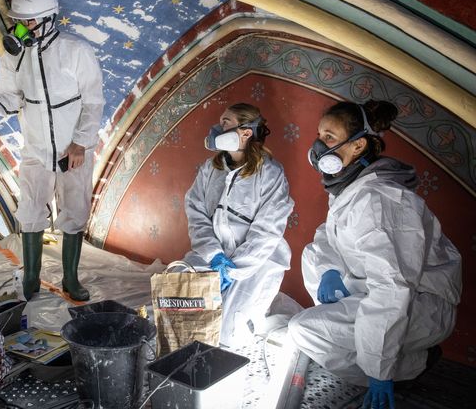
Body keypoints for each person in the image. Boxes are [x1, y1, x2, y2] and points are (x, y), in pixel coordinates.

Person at [288, 100, 462, 409]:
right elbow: (329, 235)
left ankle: (405, 367)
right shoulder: (354, 188)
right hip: (380, 287)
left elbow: (393, 286)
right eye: (320, 135)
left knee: (303, 330)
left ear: (357, 146)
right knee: (315, 261)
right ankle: (382, 352)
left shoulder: (381, 200)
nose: (318, 145)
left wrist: (378, 370)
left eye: (329, 137)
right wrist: (328, 268)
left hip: (420, 303)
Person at [0, 0, 104, 301]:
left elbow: (93, 103)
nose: (22, 28)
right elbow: (9, 102)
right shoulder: (13, 57)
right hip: (36, 150)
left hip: (74, 150)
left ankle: (70, 279)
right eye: (19, 22)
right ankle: (31, 279)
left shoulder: (76, 51)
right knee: (29, 211)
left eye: (29, 22)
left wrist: (81, 143)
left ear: (50, 19)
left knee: (74, 211)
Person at [182, 103, 294, 349]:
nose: (217, 128)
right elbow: (196, 212)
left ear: (245, 132)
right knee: (179, 301)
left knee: (228, 332)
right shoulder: (210, 169)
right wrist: (215, 256)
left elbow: (268, 230)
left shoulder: (270, 173)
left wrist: (234, 270)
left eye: (225, 123)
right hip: (213, 256)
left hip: (256, 263)